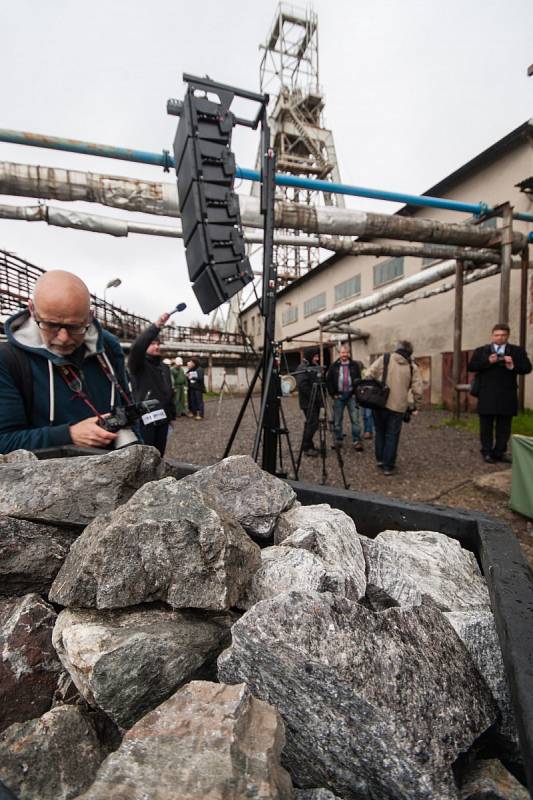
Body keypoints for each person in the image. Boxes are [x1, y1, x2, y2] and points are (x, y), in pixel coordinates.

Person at [0, 270, 130, 453]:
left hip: (114, 470)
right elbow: (4, 442)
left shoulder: (108, 347)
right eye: (51, 325)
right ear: (32, 309)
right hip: (48, 478)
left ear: (90, 315)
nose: (63, 338)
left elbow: (127, 408)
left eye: (75, 326)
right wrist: (68, 436)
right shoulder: (7, 360)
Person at [468, 323, 532, 463]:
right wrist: (487, 361)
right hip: (487, 393)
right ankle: (487, 452)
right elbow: (471, 367)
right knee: (486, 426)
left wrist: (512, 365)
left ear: (508, 336)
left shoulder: (516, 351)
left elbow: (527, 368)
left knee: (504, 426)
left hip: (507, 394)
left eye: (503, 335)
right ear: (492, 336)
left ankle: (499, 452)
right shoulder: (482, 351)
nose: (500, 338)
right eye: (497, 335)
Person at [366, 340, 423, 476]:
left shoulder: (384, 359)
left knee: (380, 432)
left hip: (379, 404)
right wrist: (416, 406)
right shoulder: (412, 366)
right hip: (398, 407)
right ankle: (388, 466)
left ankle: (380, 460)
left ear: (397, 349)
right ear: (410, 352)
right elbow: (418, 390)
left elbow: (368, 374)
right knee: (392, 436)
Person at [128, 313, 175, 455]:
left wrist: (171, 416)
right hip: (145, 420)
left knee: (159, 455)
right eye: (152, 343)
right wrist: (156, 326)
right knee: (146, 456)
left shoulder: (164, 367)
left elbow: (168, 391)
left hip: (163, 419)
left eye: (158, 344)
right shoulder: (138, 364)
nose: (157, 346)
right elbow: (137, 347)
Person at [326, 343, 363, 451]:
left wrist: (357, 393)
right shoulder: (334, 366)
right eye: (342, 352)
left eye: (346, 352)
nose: (344, 354)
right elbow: (329, 381)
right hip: (339, 397)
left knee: (355, 420)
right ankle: (338, 440)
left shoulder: (355, 365)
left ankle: (357, 441)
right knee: (337, 420)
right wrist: (333, 394)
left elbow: (359, 380)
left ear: (349, 353)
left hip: (352, 396)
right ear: (339, 353)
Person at [295, 349, 322, 457]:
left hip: (314, 402)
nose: (317, 359)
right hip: (308, 403)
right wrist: (314, 396)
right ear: (310, 356)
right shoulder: (302, 368)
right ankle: (306, 447)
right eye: (315, 356)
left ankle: (310, 446)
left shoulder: (312, 366)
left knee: (311, 423)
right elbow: (302, 385)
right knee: (313, 424)